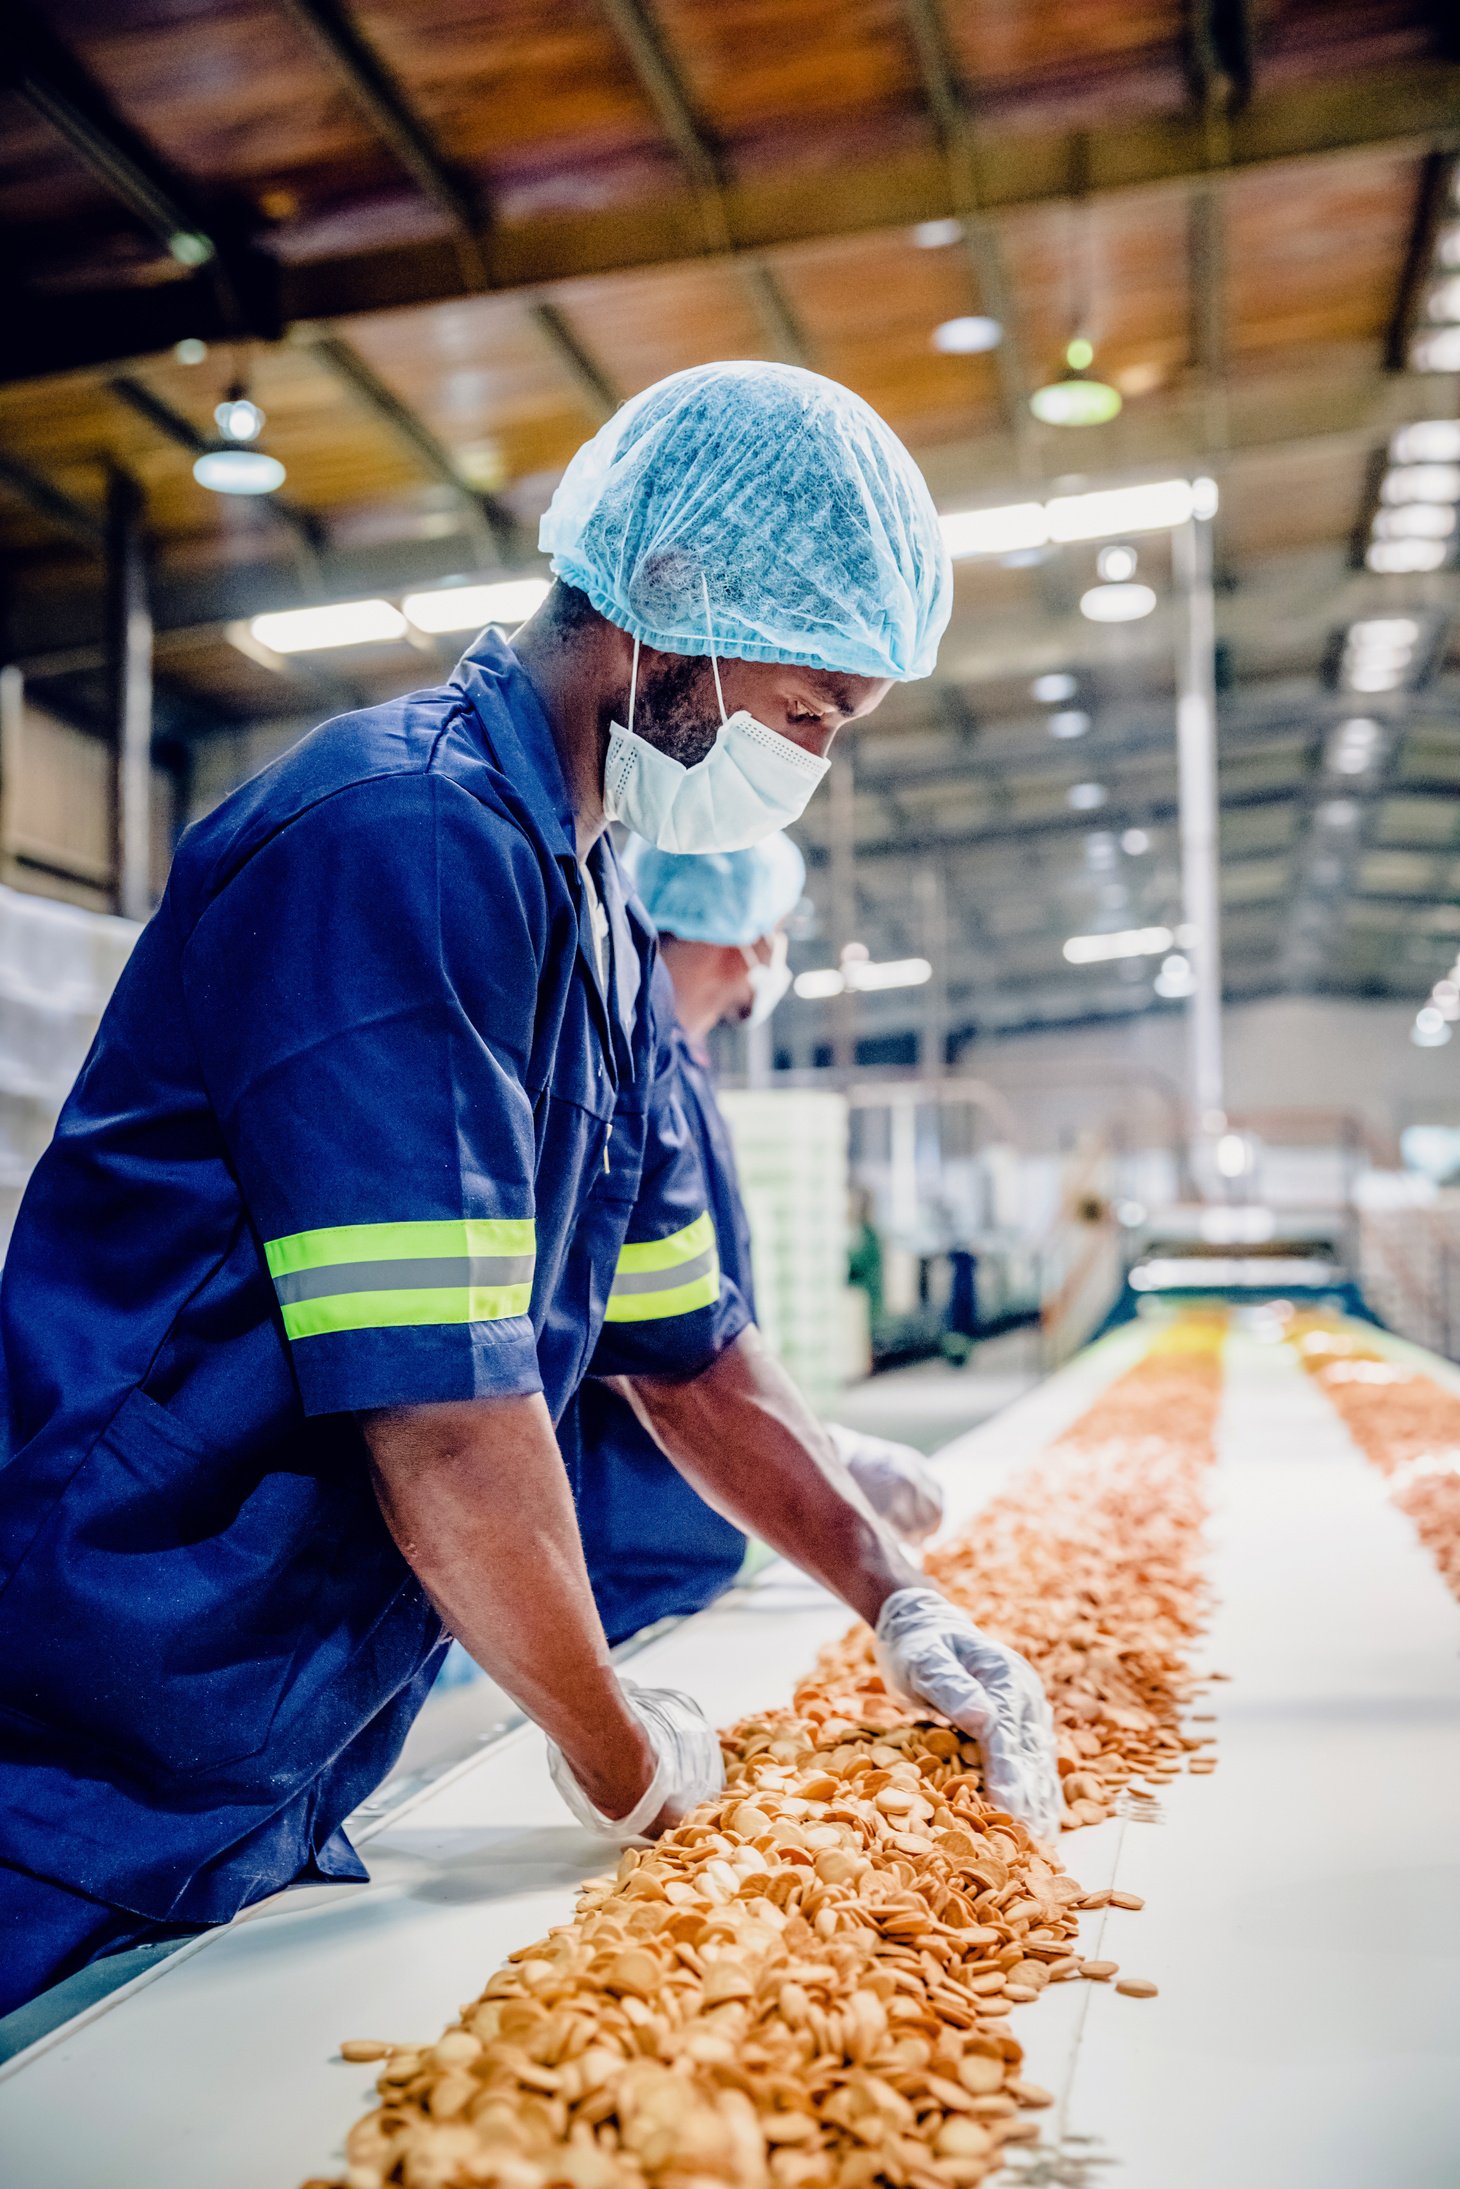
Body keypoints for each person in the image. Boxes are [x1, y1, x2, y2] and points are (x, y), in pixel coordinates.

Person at [0, 361, 1057, 2017]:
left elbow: (683, 1349)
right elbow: (444, 1418)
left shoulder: (597, 914)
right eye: (808, 716)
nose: (809, 764)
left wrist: (896, 1593)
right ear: (681, 598)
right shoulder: (399, 839)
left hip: (272, 1723)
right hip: (93, 1712)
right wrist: (627, 1758)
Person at [572, 832, 943, 1645]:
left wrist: (804, 1453)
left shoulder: (683, 1066)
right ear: (750, 935)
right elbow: (600, 1327)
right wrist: (820, 1457)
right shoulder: (621, 1071)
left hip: (693, 1538)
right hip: (622, 1554)